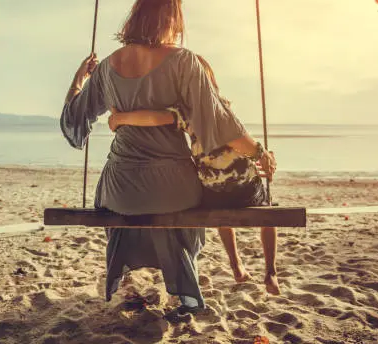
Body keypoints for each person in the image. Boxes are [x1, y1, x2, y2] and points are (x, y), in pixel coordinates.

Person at [60, 0, 275, 315]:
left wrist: (79, 79)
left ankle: (128, 281)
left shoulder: (106, 67)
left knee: (117, 207)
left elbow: (74, 119)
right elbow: (219, 121)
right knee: (181, 207)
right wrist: (260, 153)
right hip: (173, 186)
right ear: (171, 20)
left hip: (121, 186)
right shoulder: (184, 61)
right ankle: (180, 288)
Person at [107, 55, 281, 295]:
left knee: (220, 212)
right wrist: (263, 154)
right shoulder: (220, 108)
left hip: (213, 191)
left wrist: (121, 118)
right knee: (267, 211)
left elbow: (153, 118)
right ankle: (270, 271)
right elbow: (245, 146)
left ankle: (237, 265)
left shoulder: (186, 113)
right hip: (244, 190)